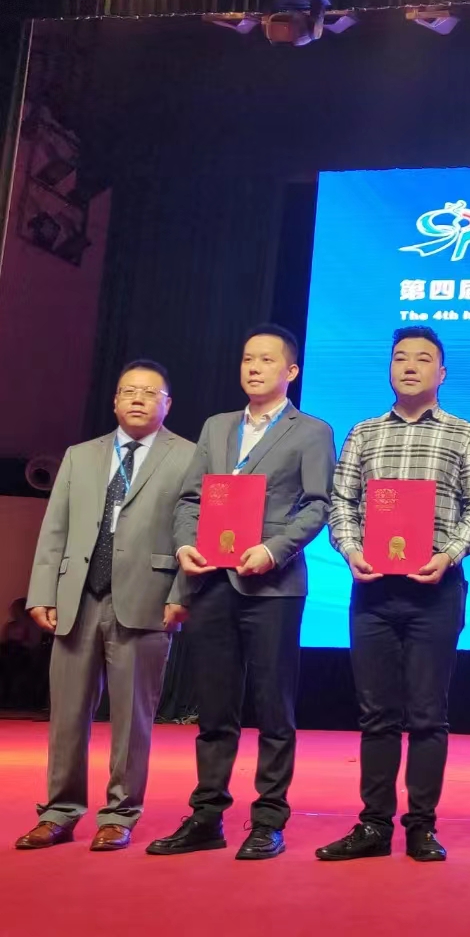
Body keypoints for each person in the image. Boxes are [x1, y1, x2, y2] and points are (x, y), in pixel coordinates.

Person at [149, 325, 335, 861]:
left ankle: (268, 819)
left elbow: (318, 505)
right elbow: (191, 499)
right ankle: (207, 815)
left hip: (273, 585)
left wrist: (274, 550)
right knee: (214, 708)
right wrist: (186, 545)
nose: (254, 367)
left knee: (274, 708)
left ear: (291, 370)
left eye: (267, 360)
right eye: (248, 358)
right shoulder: (217, 426)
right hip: (212, 579)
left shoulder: (312, 431)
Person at [315, 326, 470, 864]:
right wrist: (351, 551)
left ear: (442, 373)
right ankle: (373, 824)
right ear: (389, 369)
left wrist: (450, 554)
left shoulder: (466, 435)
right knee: (376, 714)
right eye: (400, 358)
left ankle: (421, 826)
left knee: (428, 714)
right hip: (372, 590)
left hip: (435, 590)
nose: (409, 366)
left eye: (422, 359)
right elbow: (341, 502)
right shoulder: (363, 433)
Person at [16, 361, 195, 852]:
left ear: (167, 404)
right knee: (66, 716)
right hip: (77, 599)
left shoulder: (189, 456)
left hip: (147, 599)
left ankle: (119, 813)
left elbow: (193, 531)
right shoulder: (80, 456)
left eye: (150, 392)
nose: (138, 398)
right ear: (114, 401)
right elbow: (54, 528)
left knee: (133, 719)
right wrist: (42, 592)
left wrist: (182, 594)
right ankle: (59, 811)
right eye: (128, 391)